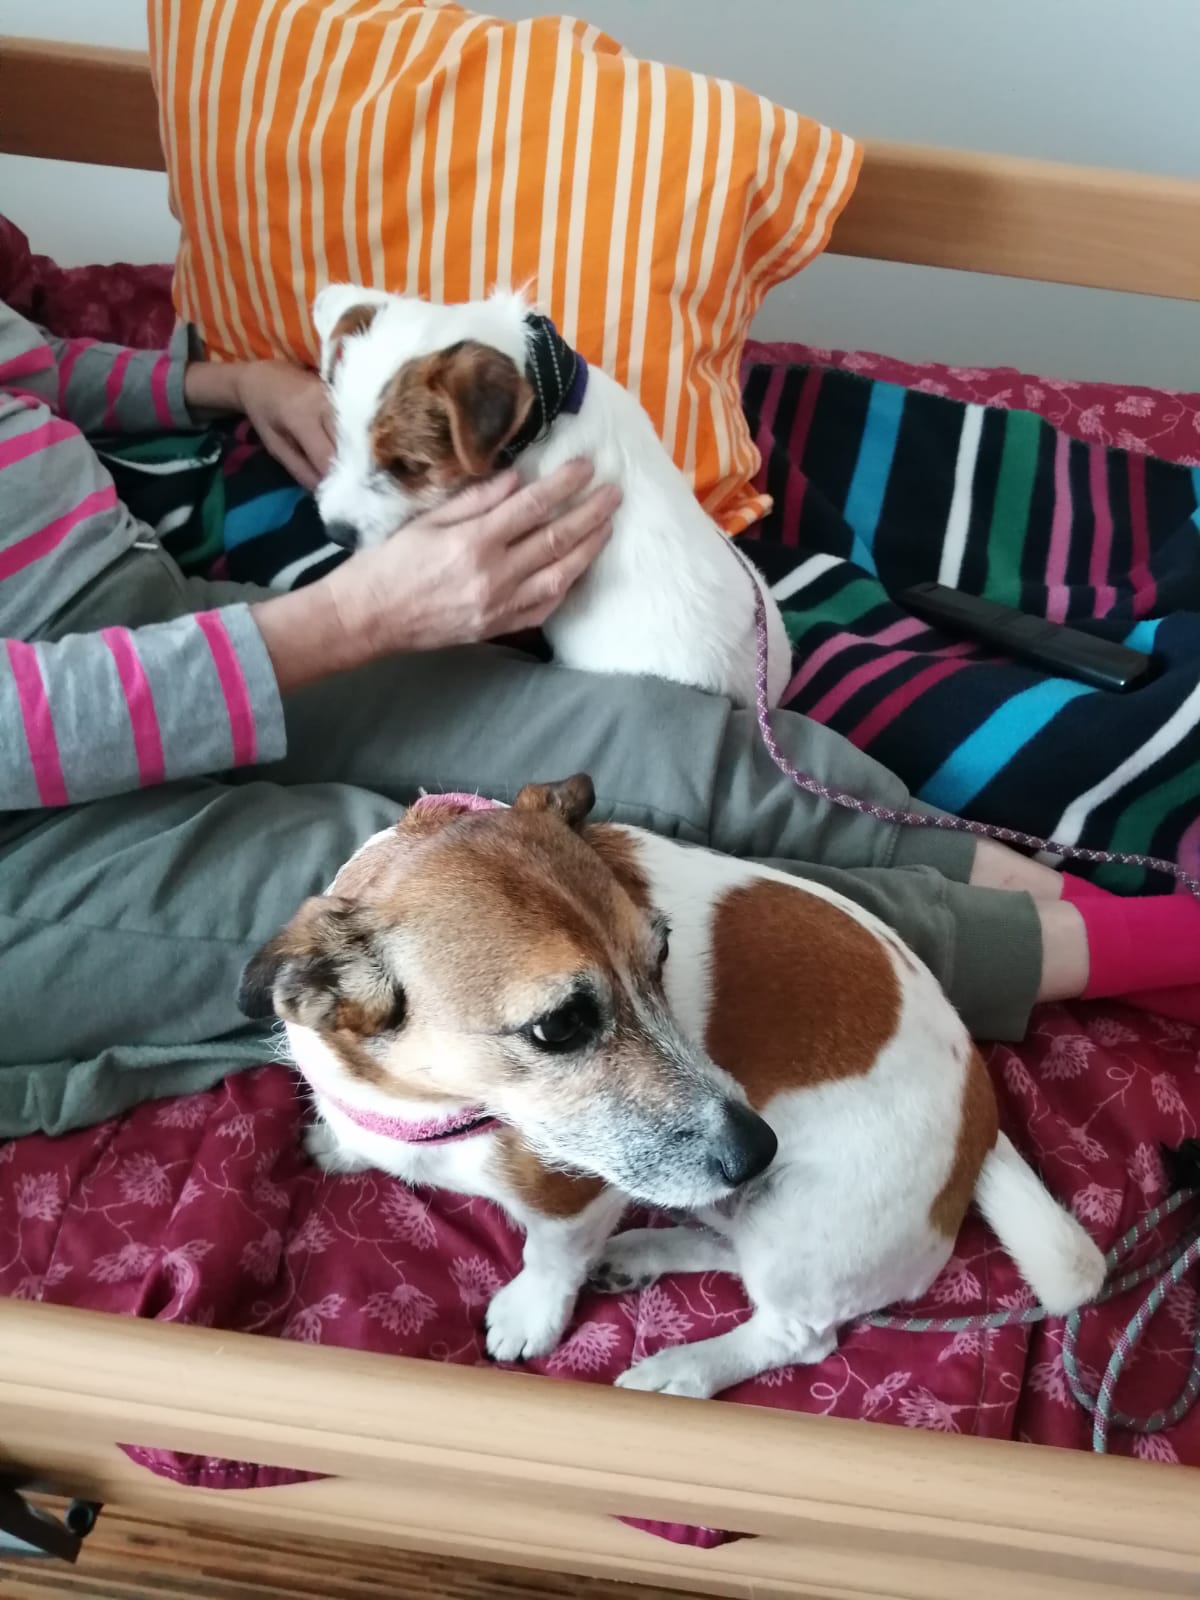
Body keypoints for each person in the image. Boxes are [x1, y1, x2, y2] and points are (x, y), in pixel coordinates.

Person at [2, 300, 1197, 1138]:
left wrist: (227, 383)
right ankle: (1135, 953)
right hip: (28, 827)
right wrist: (352, 619)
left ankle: (1100, 910)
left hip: (140, 625)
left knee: (655, 747)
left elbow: (30, 365)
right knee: (542, 906)